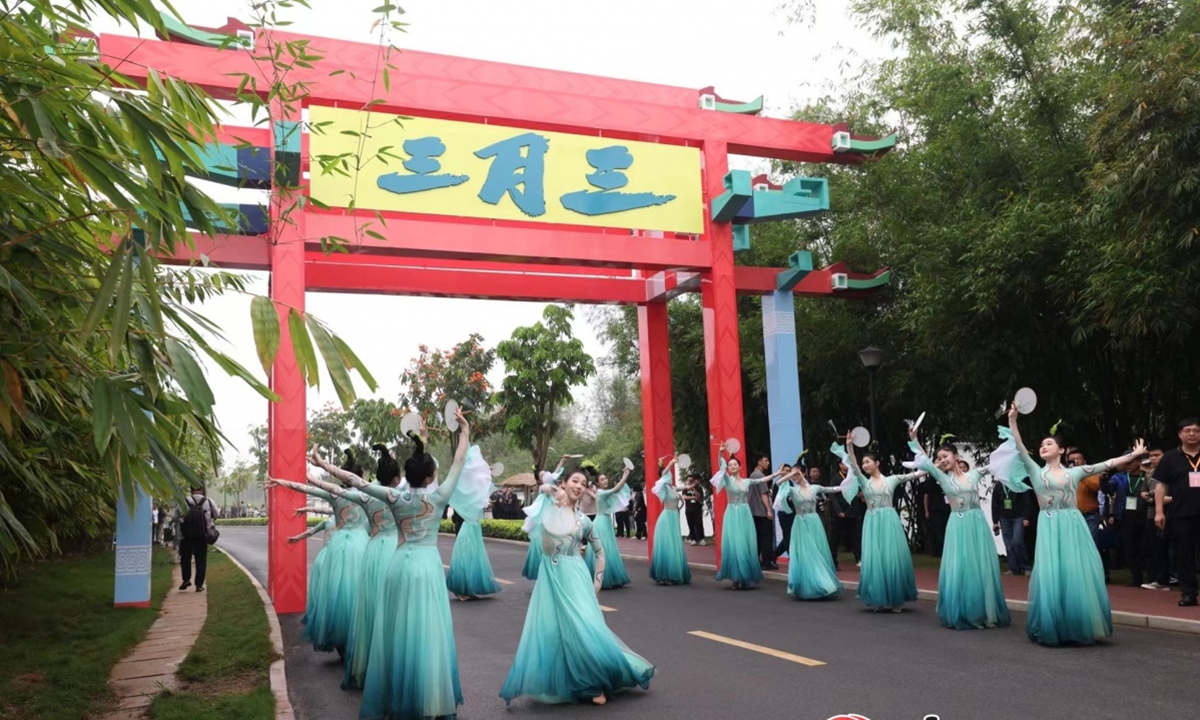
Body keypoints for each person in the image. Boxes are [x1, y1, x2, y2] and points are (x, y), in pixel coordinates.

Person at [500, 468, 654, 706]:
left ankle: (593, 683)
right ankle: (566, 679)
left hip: (575, 575)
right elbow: (542, 488)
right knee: (553, 630)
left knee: (582, 628)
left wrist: (598, 582)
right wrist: (554, 490)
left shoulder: (584, 521)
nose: (579, 486)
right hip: (549, 575)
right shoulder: (549, 506)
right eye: (575, 481)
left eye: (583, 483)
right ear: (565, 483)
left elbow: (601, 554)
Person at [357, 408, 473, 720]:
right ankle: (429, 700)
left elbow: (357, 483)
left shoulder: (396, 497)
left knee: (398, 632)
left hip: (398, 567)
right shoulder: (438, 498)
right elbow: (459, 462)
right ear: (430, 476)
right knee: (428, 632)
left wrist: (323, 468)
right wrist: (465, 431)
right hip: (426, 567)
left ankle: (399, 697)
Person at [1003, 405, 1146, 645]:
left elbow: (1107, 464)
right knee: (1051, 573)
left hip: (1072, 523)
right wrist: (1013, 421)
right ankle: (1053, 625)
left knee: (1074, 572)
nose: (1043, 446)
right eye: (1041, 444)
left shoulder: (1075, 472)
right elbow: (1018, 446)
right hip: (1049, 525)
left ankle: (1077, 623)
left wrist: (1133, 455)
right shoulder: (1035, 471)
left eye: (1049, 443)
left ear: (1061, 450)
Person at [305, 443, 402, 689]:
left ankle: (366, 657)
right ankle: (393, 662)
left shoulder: (363, 494)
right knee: (392, 610)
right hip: (390, 552)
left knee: (367, 606)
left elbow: (326, 487)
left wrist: (319, 468)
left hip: (369, 551)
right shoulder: (402, 496)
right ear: (397, 477)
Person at [909, 427, 1024, 630]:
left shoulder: (974, 475)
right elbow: (926, 462)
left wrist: (1013, 438)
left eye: (945, 456)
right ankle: (965, 611)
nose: (942, 460)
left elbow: (996, 464)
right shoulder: (943, 478)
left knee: (980, 566)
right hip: (958, 525)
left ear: (956, 456)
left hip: (977, 524)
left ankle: (986, 612)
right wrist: (914, 439)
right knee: (961, 567)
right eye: (939, 458)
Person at [266, 453, 371, 655]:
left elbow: (306, 487)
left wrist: (280, 481)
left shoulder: (335, 494)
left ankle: (341, 641)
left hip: (338, 546)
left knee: (338, 593)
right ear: (360, 476)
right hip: (361, 543)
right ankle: (360, 639)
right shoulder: (366, 496)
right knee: (360, 592)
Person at [840, 437, 923, 611]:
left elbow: (917, 473)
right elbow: (853, 465)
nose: (864, 465)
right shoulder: (864, 481)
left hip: (889, 521)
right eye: (863, 463)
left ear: (877, 463)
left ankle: (895, 599)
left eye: (868, 462)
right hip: (872, 522)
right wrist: (849, 446)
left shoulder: (891, 479)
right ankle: (879, 597)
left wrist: (927, 460)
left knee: (892, 558)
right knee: (875, 560)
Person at [711, 442, 784, 589]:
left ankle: (745, 576)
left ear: (739, 467)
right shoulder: (726, 480)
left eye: (734, 464)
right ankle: (736, 577)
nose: (732, 466)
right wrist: (720, 453)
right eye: (730, 465)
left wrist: (777, 473)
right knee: (735, 544)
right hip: (732, 513)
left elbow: (762, 480)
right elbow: (721, 466)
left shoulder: (747, 481)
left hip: (745, 513)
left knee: (745, 544)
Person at [775, 468, 843, 600]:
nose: (795, 476)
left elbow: (831, 489)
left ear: (803, 473)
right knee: (805, 553)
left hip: (814, 522)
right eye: (793, 475)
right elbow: (778, 484)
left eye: (797, 473)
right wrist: (789, 475)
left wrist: (846, 485)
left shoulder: (815, 488)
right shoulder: (792, 490)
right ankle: (809, 585)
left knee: (817, 551)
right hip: (800, 523)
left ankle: (823, 583)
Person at [1153, 418, 1200, 607]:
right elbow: (1161, 485)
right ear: (1179, 434)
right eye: (1187, 430)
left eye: (1196, 430)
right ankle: (1189, 593)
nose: (1192, 434)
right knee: (1184, 555)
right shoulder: (1171, 457)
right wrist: (1158, 511)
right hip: (1182, 514)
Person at [520, 456, 569, 581]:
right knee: (541, 551)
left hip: (551, 525)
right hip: (541, 527)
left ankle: (550, 576)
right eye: (542, 476)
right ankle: (542, 576)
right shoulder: (543, 490)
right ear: (539, 480)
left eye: (545, 474)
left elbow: (553, 476)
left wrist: (562, 461)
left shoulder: (553, 492)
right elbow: (551, 481)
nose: (545, 476)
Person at [585, 465, 633, 589]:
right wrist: (625, 476)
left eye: (606, 478)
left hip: (604, 521)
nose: (605, 481)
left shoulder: (601, 493)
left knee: (608, 550)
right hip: (601, 523)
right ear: (597, 483)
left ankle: (606, 577)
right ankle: (603, 578)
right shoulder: (601, 494)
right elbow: (616, 489)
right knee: (604, 550)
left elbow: (615, 490)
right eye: (602, 479)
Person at [1107, 458, 1152, 588]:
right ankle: (1136, 578)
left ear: (1139, 462)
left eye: (1130, 462)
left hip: (1145, 514)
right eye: (1125, 463)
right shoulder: (1118, 477)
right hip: (1126, 516)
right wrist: (1103, 480)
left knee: (1146, 547)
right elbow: (1108, 489)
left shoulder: (1146, 475)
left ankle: (1152, 578)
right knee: (1130, 548)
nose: (1127, 465)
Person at [649, 456, 691, 585]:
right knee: (668, 546)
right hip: (666, 518)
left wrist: (689, 487)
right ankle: (666, 575)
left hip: (674, 518)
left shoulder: (672, 488)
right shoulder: (663, 487)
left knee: (675, 546)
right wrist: (670, 464)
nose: (670, 476)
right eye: (668, 474)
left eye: (671, 474)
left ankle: (674, 574)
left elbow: (681, 490)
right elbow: (663, 475)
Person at [992, 465, 1034, 576]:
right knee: (1008, 544)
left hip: (1018, 517)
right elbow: (995, 504)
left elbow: (1027, 502)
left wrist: (1026, 517)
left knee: (1017, 541)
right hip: (1004, 518)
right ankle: (1014, 569)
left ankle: (1026, 566)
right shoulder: (999, 485)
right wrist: (995, 521)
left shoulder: (1019, 484)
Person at [176, 486, 217, 592]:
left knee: (185, 558)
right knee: (201, 560)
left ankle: (186, 579)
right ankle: (199, 585)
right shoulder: (209, 501)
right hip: (202, 535)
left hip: (187, 535)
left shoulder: (184, 501)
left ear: (191, 489)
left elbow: (176, 516)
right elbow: (216, 514)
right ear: (202, 489)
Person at [747, 453, 778, 570]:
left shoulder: (752, 475)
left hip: (754, 510)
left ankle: (758, 561)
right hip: (761, 511)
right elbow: (763, 494)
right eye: (766, 461)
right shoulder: (759, 476)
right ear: (759, 462)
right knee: (766, 537)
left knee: (759, 537)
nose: (768, 463)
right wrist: (768, 510)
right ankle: (767, 561)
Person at [773, 463, 796, 559]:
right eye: (785, 470)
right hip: (783, 513)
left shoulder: (790, 483)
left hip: (792, 513)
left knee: (790, 536)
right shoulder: (778, 483)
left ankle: (773, 555)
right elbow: (776, 499)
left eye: (789, 471)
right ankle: (775, 555)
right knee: (787, 536)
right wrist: (787, 499)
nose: (787, 472)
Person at [681, 474, 705, 545]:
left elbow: (699, 496)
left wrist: (693, 488)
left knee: (699, 524)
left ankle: (701, 539)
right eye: (688, 480)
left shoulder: (698, 488)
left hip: (697, 509)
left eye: (691, 480)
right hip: (689, 509)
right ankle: (693, 539)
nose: (689, 482)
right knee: (690, 524)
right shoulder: (685, 489)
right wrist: (693, 498)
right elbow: (684, 497)